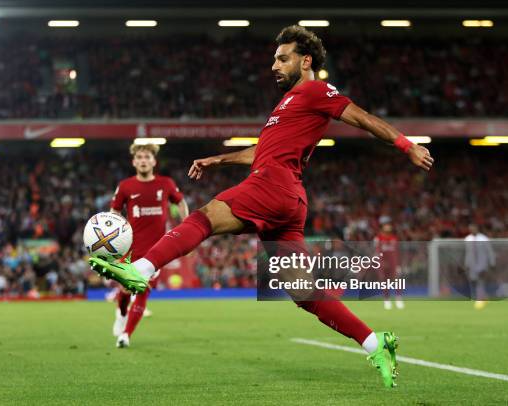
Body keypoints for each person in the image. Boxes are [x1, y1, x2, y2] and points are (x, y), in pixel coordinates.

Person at [90, 25, 434, 387]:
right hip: (288, 200)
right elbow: (260, 152)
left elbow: (361, 117)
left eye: (282, 59)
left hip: (273, 186)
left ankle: (142, 269)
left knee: (204, 217)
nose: (274, 65)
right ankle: (373, 342)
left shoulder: (317, 90)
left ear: (305, 61)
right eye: (274, 58)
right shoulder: (287, 104)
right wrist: (219, 160)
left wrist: (407, 146)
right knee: (304, 293)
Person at [109, 143, 188, 348]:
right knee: (126, 291)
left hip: (157, 251)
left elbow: (180, 202)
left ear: (154, 161)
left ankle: (126, 335)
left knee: (142, 290)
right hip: (131, 248)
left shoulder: (166, 184)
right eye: (140, 157)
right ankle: (121, 313)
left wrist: (186, 224)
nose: (143, 160)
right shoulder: (126, 186)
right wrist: (112, 234)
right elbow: (114, 212)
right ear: (134, 162)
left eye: (147, 157)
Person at [374, 219, 404, 310]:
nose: (388, 226)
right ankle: (386, 300)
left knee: (397, 280)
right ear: (382, 227)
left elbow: (397, 252)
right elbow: (377, 252)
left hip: (393, 263)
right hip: (383, 263)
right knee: (384, 282)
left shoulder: (394, 238)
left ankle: (398, 298)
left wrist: (398, 264)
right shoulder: (378, 238)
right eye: (386, 225)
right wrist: (380, 262)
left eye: (389, 225)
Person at [464, 224, 495, 310]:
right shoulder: (467, 239)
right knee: (474, 281)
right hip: (472, 264)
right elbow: (468, 253)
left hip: (482, 263)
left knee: (480, 280)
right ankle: (483, 297)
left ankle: (480, 299)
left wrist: (492, 263)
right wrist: (466, 264)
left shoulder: (483, 238)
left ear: (477, 228)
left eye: (473, 228)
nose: (472, 230)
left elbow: (489, 251)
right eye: (470, 228)